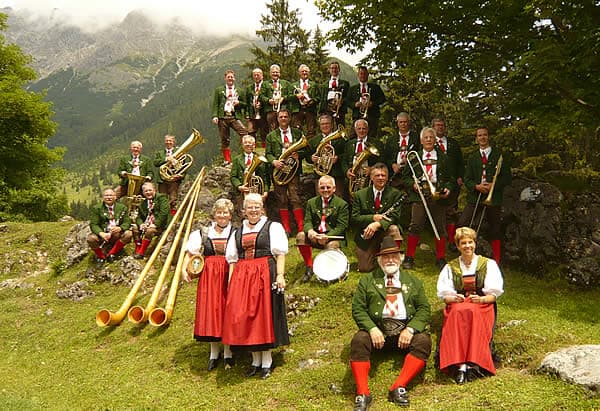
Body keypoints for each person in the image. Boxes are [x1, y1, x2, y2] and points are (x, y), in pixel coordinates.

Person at [349, 236, 432, 410]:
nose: (390, 260)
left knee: (423, 341)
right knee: (359, 340)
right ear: (379, 260)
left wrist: (410, 329)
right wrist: (372, 329)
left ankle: (398, 387)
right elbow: (358, 308)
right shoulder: (367, 280)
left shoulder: (413, 281)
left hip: (404, 335)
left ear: (401, 258)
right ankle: (363, 393)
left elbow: (424, 309)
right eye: (386, 257)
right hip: (378, 334)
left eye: (394, 256)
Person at [222, 193, 289, 379]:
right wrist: (231, 285)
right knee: (245, 316)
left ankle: (266, 361)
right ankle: (255, 360)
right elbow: (232, 261)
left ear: (262, 208)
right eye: (250, 207)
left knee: (263, 316)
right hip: (242, 277)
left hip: (265, 272)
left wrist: (281, 276)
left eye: (257, 206)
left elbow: (280, 254)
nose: (253, 210)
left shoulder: (272, 227)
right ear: (244, 211)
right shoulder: (237, 231)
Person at [436, 227, 504, 384]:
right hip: (458, 304)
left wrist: (481, 300)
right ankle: (459, 364)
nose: (467, 246)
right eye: (463, 243)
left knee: (472, 313)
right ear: (458, 246)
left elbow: (493, 295)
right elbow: (445, 296)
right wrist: (454, 297)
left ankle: (473, 362)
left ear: (475, 243)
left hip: (482, 304)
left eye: (470, 242)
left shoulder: (488, 264)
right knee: (457, 313)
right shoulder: (450, 267)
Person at [182, 198, 235, 371]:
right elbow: (190, 253)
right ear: (214, 214)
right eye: (219, 212)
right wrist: (184, 270)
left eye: (225, 212)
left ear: (230, 215)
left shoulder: (236, 231)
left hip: (229, 273)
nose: (222, 215)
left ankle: (228, 351)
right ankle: (214, 352)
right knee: (212, 310)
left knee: (228, 309)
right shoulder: (203, 232)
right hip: (209, 275)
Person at [401, 127, 455, 270]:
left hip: (437, 194)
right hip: (419, 195)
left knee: (440, 226)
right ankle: (409, 257)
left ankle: (440, 258)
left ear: (435, 140)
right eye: (426, 137)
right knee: (415, 225)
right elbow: (405, 177)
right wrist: (412, 184)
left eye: (431, 137)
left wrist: (448, 188)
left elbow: (451, 179)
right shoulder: (414, 157)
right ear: (421, 140)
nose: (429, 140)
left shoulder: (443, 157)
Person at [457, 127, 511, 265]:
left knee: (495, 228)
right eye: (479, 135)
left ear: (488, 137)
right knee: (463, 223)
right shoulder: (473, 157)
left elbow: (507, 178)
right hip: (476, 196)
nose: (482, 138)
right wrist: (476, 186)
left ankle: (496, 261)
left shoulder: (499, 155)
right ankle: (465, 255)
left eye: (485, 135)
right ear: (476, 138)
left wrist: (494, 185)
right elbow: (467, 178)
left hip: (493, 197)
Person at [351, 163, 403, 272]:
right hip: (366, 234)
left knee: (394, 229)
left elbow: (395, 217)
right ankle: (377, 256)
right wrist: (373, 218)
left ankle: (394, 259)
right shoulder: (359, 195)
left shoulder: (395, 194)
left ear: (387, 177)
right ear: (371, 177)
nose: (380, 178)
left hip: (385, 231)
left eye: (383, 175)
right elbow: (355, 218)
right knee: (364, 268)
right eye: (377, 175)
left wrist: (377, 224)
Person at [297, 175, 349, 282]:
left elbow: (342, 226)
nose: (325, 190)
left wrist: (327, 237)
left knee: (331, 245)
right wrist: (310, 231)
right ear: (318, 188)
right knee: (300, 236)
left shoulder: (342, 204)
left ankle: (329, 272)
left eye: (328, 187)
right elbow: (307, 221)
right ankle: (309, 267)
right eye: (322, 187)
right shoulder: (311, 202)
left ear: (334, 188)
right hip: (316, 235)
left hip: (333, 237)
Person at [265, 109, 308, 236]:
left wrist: (298, 155)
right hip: (279, 172)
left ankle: (300, 228)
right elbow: (268, 154)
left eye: (285, 117)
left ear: (289, 119)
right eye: (281, 117)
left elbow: (305, 150)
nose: (283, 119)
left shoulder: (297, 133)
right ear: (277, 119)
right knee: (281, 200)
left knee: (296, 199)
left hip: (293, 172)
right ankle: (286, 229)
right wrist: (274, 162)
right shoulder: (271, 136)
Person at [432, 117, 464, 251]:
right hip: (436, 184)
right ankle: (440, 240)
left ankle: (452, 241)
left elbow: (460, 162)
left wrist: (460, 176)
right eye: (437, 125)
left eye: (442, 125)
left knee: (451, 212)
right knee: (438, 213)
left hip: (452, 183)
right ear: (433, 127)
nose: (440, 128)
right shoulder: (429, 144)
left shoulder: (453, 144)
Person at [211, 69, 248, 165]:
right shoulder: (219, 90)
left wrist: (239, 103)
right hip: (222, 117)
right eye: (228, 77)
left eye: (231, 77)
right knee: (224, 139)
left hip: (234, 116)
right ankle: (227, 160)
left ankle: (247, 155)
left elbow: (245, 104)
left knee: (244, 133)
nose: (230, 78)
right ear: (225, 78)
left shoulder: (240, 91)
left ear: (234, 78)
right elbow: (216, 104)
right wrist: (215, 116)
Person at [87, 188, 133, 264]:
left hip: (116, 234)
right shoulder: (97, 208)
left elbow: (127, 222)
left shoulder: (122, 208)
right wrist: (101, 233)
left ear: (115, 197)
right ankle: (101, 256)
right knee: (91, 239)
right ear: (103, 197)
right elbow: (94, 224)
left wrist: (120, 228)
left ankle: (112, 253)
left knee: (129, 234)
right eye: (106, 195)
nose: (109, 197)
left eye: (111, 195)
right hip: (103, 234)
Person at [307, 114, 346, 197]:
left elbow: (347, 155)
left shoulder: (340, 139)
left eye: (327, 123)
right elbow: (307, 156)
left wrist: (338, 158)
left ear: (332, 125)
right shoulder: (314, 140)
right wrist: (311, 158)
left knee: (338, 200)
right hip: (320, 175)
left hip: (336, 175)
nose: (325, 126)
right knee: (321, 200)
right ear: (320, 126)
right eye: (322, 124)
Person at [342, 119, 381, 200]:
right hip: (353, 178)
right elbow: (344, 161)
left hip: (369, 178)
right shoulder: (349, 144)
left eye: (364, 128)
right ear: (355, 130)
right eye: (359, 128)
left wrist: (372, 169)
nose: (361, 131)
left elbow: (382, 160)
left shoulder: (376, 143)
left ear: (367, 129)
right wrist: (347, 172)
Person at [230, 135, 270, 212]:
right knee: (245, 213)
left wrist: (265, 191)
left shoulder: (260, 158)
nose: (248, 144)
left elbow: (265, 177)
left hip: (258, 192)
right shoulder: (237, 159)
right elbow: (233, 177)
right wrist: (239, 186)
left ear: (254, 145)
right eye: (245, 143)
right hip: (243, 192)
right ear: (242, 145)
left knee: (260, 212)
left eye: (250, 142)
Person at [131, 182, 170, 259]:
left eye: (150, 190)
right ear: (143, 193)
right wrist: (141, 224)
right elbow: (138, 217)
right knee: (135, 228)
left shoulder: (162, 198)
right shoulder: (143, 203)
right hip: (148, 224)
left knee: (149, 231)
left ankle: (141, 253)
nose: (148, 192)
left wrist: (155, 224)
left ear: (154, 190)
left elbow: (164, 213)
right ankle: (138, 249)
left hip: (161, 225)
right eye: (146, 191)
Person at [383, 112, 421, 190]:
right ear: (397, 123)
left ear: (409, 123)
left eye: (405, 122)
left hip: (411, 174)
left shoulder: (416, 137)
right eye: (401, 122)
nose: (403, 124)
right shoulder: (391, 139)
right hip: (395, 175)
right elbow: (386, 156)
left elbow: (420, 153)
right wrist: (393, 165)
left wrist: (409, 159)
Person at [347, 66, 386, 140]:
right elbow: (347, 101)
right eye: (361, 74)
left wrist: (373, 103)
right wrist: (354, 104)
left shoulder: (375, 87)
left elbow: (382, 99)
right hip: (357, 116)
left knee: (371, 137)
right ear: (358, 75)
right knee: (353, 136)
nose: (363, 76)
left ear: (368, 75)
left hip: (372, 116)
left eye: (365, 74)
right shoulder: (352, 89)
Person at [153, 134, 183, 214]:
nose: (168, 142)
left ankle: (172, 215)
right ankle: (163, 214)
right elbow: (155, 163)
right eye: (167, 141)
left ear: (173, 142)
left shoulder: (179, 151)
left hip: (174, 179)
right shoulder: (160, 153)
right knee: (162, 198)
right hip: (162, 179)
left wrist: (180, 175)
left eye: (170, 141)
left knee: (173, 198)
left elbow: (183, 165)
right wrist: (167, 159)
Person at [289, 64, 320, 140]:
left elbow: (318, 97)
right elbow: (288, 97)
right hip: (297, 110)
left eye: (306, 71)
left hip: (310, 109)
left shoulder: (314, 85)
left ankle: (311, 148)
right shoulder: (293, 85)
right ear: (299, 73)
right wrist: (296, 96)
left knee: (311, 130)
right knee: (296, 130)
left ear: (309, 73)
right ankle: (297, 147)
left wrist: (312, 101)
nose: (304, 73)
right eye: (302, 71)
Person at [319, 61, 349, 127]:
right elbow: (322, 97)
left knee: (341, 127)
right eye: (332, 68)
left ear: (339, 70)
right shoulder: (325, 84)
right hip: (327, 109)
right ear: (329, 70)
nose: (334, 70)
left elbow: (347, 97)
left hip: (340, 109)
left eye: (336, 68)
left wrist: (341, 102)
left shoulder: (345, 83)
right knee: (328, 127)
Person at [263, 64, 291, 132]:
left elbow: (291, 95)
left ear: (280, 73)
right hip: (271, 110)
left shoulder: (286, 83)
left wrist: (283, 98)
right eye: (273, 72)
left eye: (277, 72)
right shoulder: (265, 84)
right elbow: (261, 96)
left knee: (285, 128)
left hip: (283, 110)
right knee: (272, 130)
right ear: (270, 73)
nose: (275, 74)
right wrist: (268, 100)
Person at [245, 68, 269, 147]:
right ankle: (251, 149)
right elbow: (247, 102)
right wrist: (247, 114)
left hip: (263, 113)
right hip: (253, 114)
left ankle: (265, 149)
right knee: (251, 131)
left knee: (264, 132)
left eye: (258, 75)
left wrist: (262, 104)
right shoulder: (249, 88)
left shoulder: (267, 86)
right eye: (254, 75)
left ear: (262, 76)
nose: (256, 77)